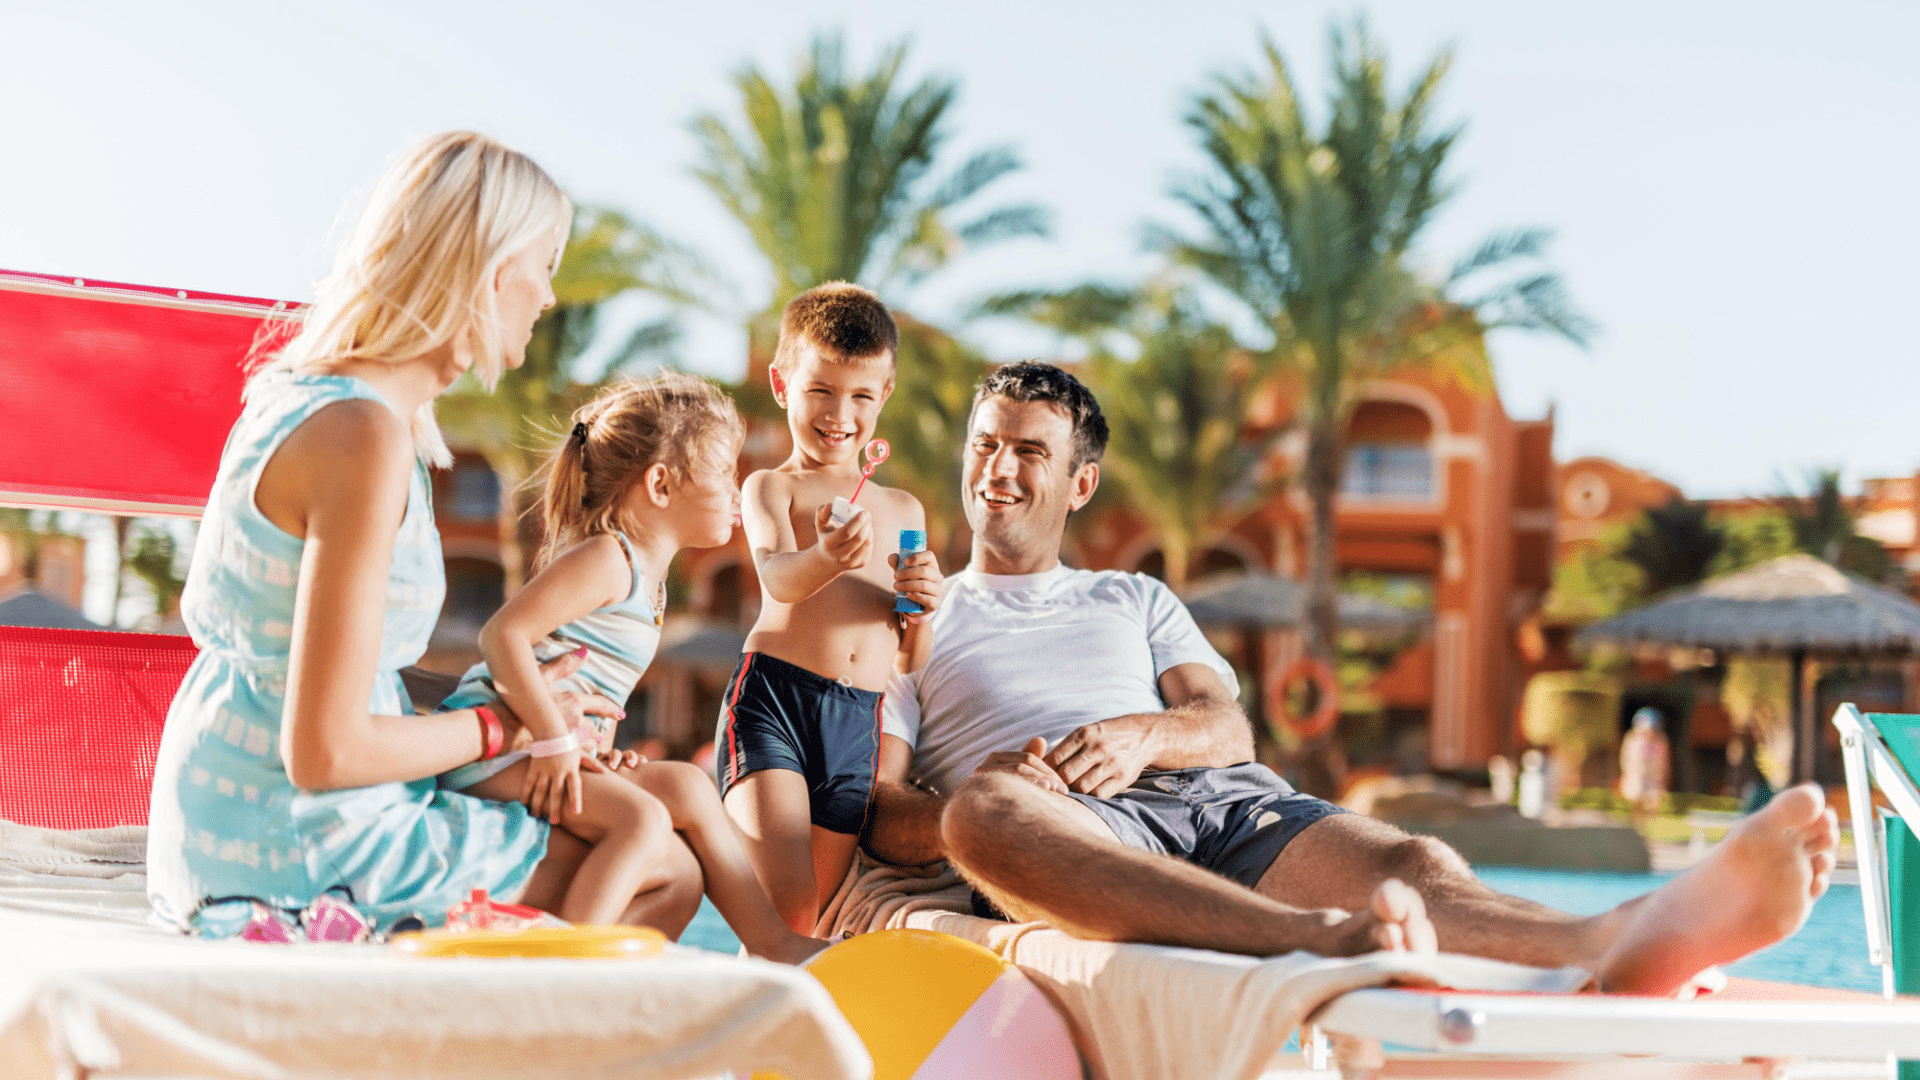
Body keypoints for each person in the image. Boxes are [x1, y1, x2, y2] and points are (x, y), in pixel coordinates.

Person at [866, 360, 1841, 996]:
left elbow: (1226, 727)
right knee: (976, 818)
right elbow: (882, 812)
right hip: (1071, 823)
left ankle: (1616, 939)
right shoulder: (914, 613)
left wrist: (1141, 735)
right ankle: (1329, 947)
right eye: (985, 446)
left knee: (1414, 866)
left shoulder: (1135, 596)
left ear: (1079, 484)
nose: (998, 468)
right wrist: (997, 779)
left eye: (1028, 451)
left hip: (1212, 801)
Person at [146, 132, 703, 939]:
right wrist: (505, 728)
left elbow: (329, 681)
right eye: (544, 264)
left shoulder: (314, 403)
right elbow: (326, 752)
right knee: (665, 874)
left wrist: (530, 704)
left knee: (650, 847)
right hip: (295, 842)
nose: (549, 297)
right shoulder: (362, 438)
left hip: (230, 813)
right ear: (485, 264)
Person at [429, 373, 820, 961]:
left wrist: (599, 747)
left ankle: (771, 943)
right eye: (722, 474)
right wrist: (555, 741)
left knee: (688, 784)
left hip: (552, 746)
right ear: (661, 484)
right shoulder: (609, 558)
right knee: (640, 822)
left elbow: (592, 676)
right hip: (496, 749)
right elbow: (503, 635)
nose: (736, 490)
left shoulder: (648, 580)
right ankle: (559, 968)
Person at [719, 283, 945, 933]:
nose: (838, 413)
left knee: (812, 920)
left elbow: (910, 658)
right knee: (783, 910)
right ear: (781, 382)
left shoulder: (904, 510)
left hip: (856, 721)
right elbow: (780, 581)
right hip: (775, 704)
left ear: (885, 397)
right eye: (820, 389)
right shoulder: (771, 487)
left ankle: (774, 1027)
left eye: (861, 395)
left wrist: (921, 608)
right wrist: (828, 556)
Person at [1618, 708, 1671, 826]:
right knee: (1635, 809)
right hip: (1635, 781)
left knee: (1650, 808)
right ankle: (1634, 829)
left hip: (1652, 782)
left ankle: (1646, 832)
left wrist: (1662, 780)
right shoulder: (1632, 740)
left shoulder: (1660, 742)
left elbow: (1663, 765)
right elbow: (1626, 761)